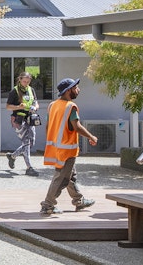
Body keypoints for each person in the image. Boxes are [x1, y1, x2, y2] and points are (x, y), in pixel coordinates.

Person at [40, 77, 99, 216]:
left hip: (56, 147)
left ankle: (79, 200)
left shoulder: (52, 105)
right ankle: (48, 205)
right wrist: (91, 136)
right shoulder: (70, 107)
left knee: (70, 176)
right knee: (61, 178)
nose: (78, 90)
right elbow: (77, 127)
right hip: (67, 149)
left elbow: (48, 126)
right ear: (68, 91)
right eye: (76, 87)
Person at [4, 71, 40, 176]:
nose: (26, 83)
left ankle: (12, 156)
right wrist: (19, 107)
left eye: (28, 82)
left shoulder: (31, 90)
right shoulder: (14, 91)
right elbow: (8, 106)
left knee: (31, 143)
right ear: (20, 80)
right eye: (24, 81)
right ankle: (29, 168)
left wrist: (35, 107)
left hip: (30, 118)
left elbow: (36, 102)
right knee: (26, 143)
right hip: (18, 120)